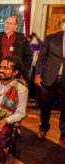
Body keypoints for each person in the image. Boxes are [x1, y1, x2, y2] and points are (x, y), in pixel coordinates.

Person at [34, 13, 65, 144]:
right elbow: (42, 57)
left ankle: (64, 133)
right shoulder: (51, 38)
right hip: (49, 78)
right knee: (45, 106)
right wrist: (37, 75)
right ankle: (43, 127)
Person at [0, 16, 32, 81]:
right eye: (7, 22)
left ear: (16, 26)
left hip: (15, 74)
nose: (8, 25)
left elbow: (28, 58)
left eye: (11, 23)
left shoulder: (23, 40)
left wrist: (23, 73)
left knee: (13, 91)